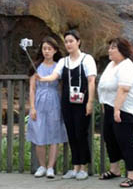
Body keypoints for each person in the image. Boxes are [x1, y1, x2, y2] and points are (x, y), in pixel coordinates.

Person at [37, 29, 97, 181]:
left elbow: (91, 81)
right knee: (71, 133)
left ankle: (83, 167)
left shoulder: (87, 59)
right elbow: (54, 76)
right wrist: (42, 79)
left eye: (71, 41)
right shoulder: (64, 61)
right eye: (66, 42)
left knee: (81, 133)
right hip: (67, 102)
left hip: (82, 101)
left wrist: (90, 102)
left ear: (78, 42)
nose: (69, 44)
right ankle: (75, 167)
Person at [97, 37, 133, 188]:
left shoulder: (127, 66)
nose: (109, 50)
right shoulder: (111, 64)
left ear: (122, 50)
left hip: (125, 109)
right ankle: (115, 170)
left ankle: (132, 176)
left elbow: (123, 89)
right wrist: (105, 105)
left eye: (113, 48)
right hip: (110, 107)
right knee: (110, 139)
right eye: (109, 47)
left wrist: (117, 109)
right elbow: (105, 86)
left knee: (125, 141)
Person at [26, 36, 67, 179]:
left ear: (55, 50)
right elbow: (32, 88)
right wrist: (32, 107)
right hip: (39, 101)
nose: (47, 51)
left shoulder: (59, 66)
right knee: (39, 134)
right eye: (44, 48)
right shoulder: (36, 67)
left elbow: (61, 87)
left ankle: (51, 167)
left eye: (50, 49)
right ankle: (42, 166)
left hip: (54, 101)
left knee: (54, 134)